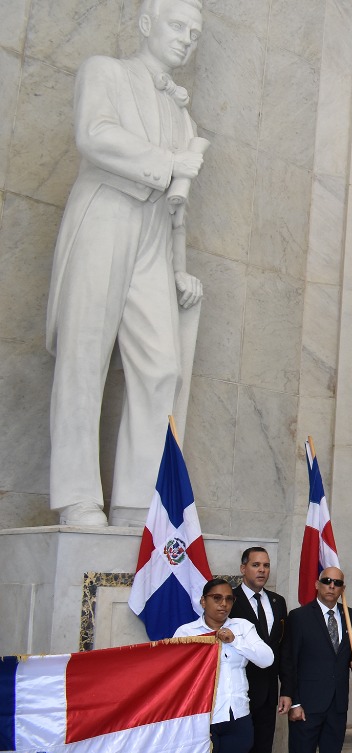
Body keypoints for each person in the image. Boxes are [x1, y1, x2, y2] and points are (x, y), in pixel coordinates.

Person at [46, 0, 208, 527]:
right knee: (84, 353)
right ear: (145, 25)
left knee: (161, 365)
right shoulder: (105, 71)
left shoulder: (183, 115)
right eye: (177, 26)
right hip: (106, 213)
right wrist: (169, 163)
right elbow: (93, 134)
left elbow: (176, 207)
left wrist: (179, 266)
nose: (186, 38)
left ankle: (137, 502)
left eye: (194, 32)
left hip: (154, 236)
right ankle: (77, 497)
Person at [174, 577, 272, 753]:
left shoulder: (243, 627)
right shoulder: (186, 632)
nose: (223, 604)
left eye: (228, 599)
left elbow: (266, 659)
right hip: (202, 722)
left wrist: (235, 641)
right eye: (216, 598)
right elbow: (176, 677)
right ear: (203, 601)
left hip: (237, 719)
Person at [280, 566, 352, 753]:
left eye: (337, 583)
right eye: (327, 581)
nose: (331, 586)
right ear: (317, 584)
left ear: (342, 589)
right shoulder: (299, 617)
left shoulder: (351, 615)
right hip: (306, 703)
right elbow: (289, 661)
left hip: (337, 703)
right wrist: (294, 701)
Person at [228, 547, 288, 753]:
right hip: (237, 694)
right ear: (243, 569)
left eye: (265, 565)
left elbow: (283, 650)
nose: (262, 570)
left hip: (267, 694)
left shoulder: (278, 601)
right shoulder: (228, 600)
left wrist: (287, 689)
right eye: (256, 565)